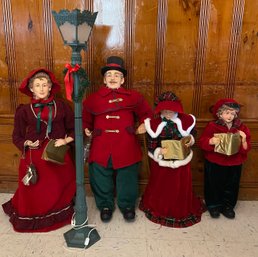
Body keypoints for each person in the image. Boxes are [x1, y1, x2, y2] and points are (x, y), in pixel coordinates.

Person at [2, 68, 76, 232]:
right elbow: (17, 137)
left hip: (57, 151)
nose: (41, 88)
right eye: (37, 85)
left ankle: (59, 208)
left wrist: (65, 140)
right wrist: (27, 142)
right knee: (37, 178)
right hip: (34, 155)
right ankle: (35, 212)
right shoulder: (23, 110)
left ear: (50, 87)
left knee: (61, 175)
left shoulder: (62, 106)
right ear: (31, 88)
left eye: (44, 85)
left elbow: (74, 129)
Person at [82, 56, 152, 222]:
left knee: (127, 175)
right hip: (101, 143)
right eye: (109, 75)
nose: (113, 78)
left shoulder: (133, 96)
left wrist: (144, 124)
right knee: (100, 174)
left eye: (116, 75)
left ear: (123, 79)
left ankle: (127, 205)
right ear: (104, 79)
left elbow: (147, 113)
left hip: (126, 143)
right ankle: (105, 205)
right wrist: (86, 127)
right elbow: (85, 117)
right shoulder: (93, 98)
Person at [139, 91, 205, 228]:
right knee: (161, 185)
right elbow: (152, 144)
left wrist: (189, 141)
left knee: (180, 185)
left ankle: (180, 207)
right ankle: (160, 207)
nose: (168, 112)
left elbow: (193, 135)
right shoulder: (154, 123)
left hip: (182, 161)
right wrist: (158, 151)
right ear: (160, 109)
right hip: (162, 162)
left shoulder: (187, 120)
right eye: (165, 109)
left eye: (171, 109)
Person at [199, 98, 251, 219]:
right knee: (213, 184)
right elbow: (202, 142)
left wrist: (243, 139)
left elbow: (246, 148)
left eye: (232, 113)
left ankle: (227, 206)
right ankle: (213, 206)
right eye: (227, 113)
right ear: (219, 113)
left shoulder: (241, 128)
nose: (230, 116)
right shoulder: (212, 126)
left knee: (231, 185)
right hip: (215, 161)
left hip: (234, 162)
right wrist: (211, 141)